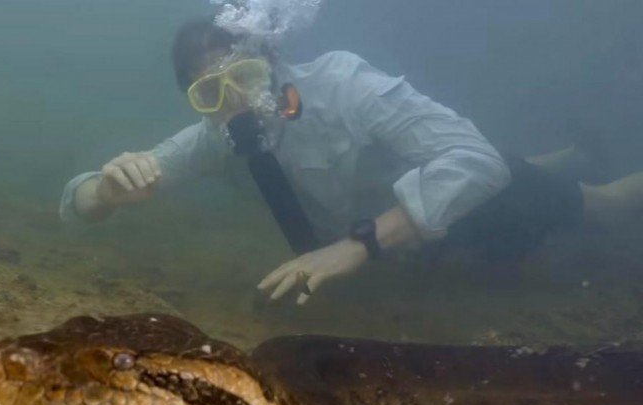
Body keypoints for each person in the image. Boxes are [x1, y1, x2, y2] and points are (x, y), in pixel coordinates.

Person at [60, 19, 643, 305]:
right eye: (209, 94)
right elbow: (80, 201)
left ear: (274, 59)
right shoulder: (218, 137)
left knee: (607, 205)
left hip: (481, 203)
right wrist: (107, 191)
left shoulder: (346, 86)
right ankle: (568, 153)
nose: (237, 105)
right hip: (415, 240)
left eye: (246, 77)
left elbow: (477, 163)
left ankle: (573, 162)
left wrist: (357, 246)